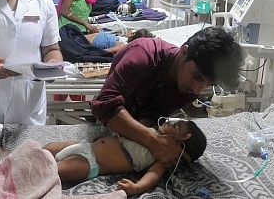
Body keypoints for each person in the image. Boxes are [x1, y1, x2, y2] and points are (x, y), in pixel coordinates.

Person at [90, 27, 243, 168]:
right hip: (111, 118)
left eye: (207, 84)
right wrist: (152, 140)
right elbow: (104, 104)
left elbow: (154, 113)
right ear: (183, 52)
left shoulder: (188, 89)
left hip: (132, 128)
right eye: (196, 76)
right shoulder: (142, 56)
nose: (197, 90)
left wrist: (156, 140)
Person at [0, 118, 206, 196]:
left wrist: (137, 188)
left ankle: (12, 176)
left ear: (182, 140)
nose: (168, 122)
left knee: (55, 169)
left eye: (175, 126)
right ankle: (12, 159)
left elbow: (152, 175)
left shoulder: (161, 159)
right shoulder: (150, 131)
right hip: (86, 146)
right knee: (48, 148)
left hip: (92, 163)